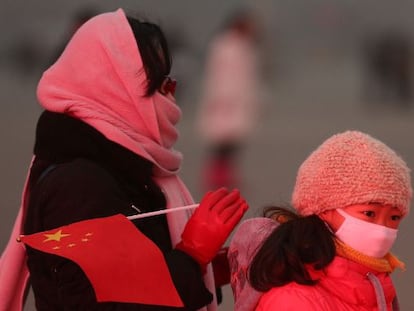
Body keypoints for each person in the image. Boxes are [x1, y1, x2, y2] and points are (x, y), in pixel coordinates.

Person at [0, 8, 248, 310]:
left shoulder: (120, 163)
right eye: (162, 84)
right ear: (116, 89)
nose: (171, 98)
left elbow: (135, 268)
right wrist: (191, 254)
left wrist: (206, 269)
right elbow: (109, 302)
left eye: (172, 83)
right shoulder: (76, 186)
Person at [231, 130, 412, 310]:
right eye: (369, 213)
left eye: (394, 217)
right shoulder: (294, 300)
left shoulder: (374, 281)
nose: (382, 230)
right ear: (324, 209)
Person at [196, 9, 263, 191]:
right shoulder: (226, 46)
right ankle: (216, 176)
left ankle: (227, 175)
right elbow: (220, 75)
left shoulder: (243, 46)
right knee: (221, 142)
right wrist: (222, 97)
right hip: (225, 100)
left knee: (233, 143)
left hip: (238, 100)